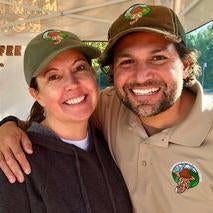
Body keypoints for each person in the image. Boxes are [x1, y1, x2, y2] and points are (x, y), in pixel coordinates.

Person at [0, 3, 213, 213]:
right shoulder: (113, 108)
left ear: (185, 65)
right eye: (127, 61)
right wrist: (8, 126)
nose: (141, 76)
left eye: (158, 58)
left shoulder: (104, 118)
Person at [0, 29, 132, 213]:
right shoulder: (15, 163)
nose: (72, 83)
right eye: (54, 76)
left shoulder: (110, 142)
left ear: (93, 76)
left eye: (79, 68)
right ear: (36, 95)